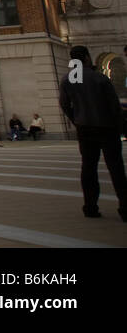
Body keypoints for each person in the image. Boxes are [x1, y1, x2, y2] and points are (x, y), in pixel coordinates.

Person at [60, 45, 127, 220]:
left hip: (84, 128)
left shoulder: (68, 80)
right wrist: (119, 126)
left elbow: (64, 104)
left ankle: (90, 206)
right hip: (106, 127)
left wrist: (76, 119)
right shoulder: (99, 78)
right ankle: (124, 206)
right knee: (116, 168)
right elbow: (114, 106)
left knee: (89, 167)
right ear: (87, 58)